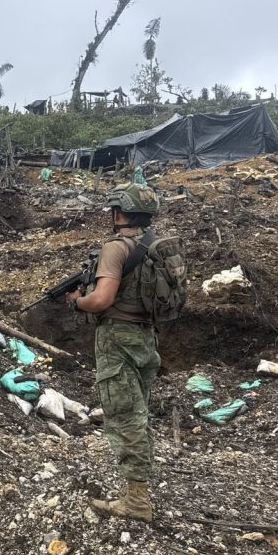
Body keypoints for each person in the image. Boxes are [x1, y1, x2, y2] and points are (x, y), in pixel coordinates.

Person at [66, 183, 161, 522]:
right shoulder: (154, 245)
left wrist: (78, 302)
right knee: (139, 411)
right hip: (146, 336)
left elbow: (103, 299)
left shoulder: (116, 248)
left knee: (124, 415)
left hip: (117, 338)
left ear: (119, 212)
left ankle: (137, 501)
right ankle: (138, 487)